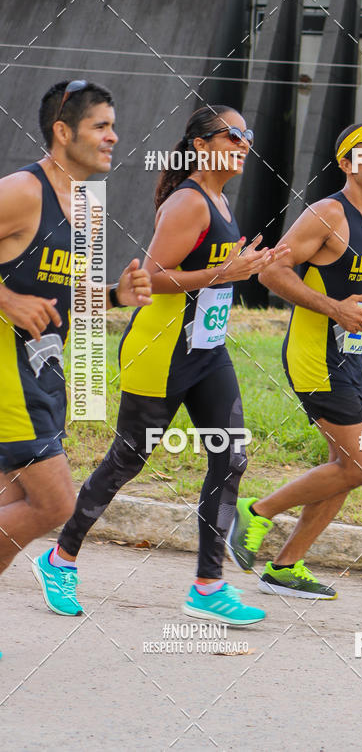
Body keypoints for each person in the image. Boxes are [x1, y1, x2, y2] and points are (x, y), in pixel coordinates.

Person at [37, 104, 286, 626]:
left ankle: (207, 586)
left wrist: (240, 268)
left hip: (206, 350)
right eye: (233, 135)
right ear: (201, 144)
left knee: (231, 456)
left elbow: (211, 273)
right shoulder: (188, 202)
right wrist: (226, 270)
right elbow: (151, 279)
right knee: (127, 460)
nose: (244, 144)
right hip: (161, 349)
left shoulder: (218, 198)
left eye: (248, 136)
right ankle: (60, 558)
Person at [227, 121, 362, 599]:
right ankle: (254, 512)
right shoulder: (326, 213)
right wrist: (336, 309)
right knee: (360, 465)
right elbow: (272, 272)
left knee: (344, 464)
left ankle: (286, 567)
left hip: (349, 357)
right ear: (346, 164)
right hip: (314, 354)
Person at [0, 79, 152, 618]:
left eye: (113, 125)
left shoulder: (87, 205)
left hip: (41, 377)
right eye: (101, 126)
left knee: (13, 506)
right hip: (7, 381)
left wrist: (115, 294)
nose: (114, 136)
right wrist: (7, 300)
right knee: (54, 503)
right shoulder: (22, 191)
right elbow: (19, 296)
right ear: (63, 132)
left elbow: (66, 295)